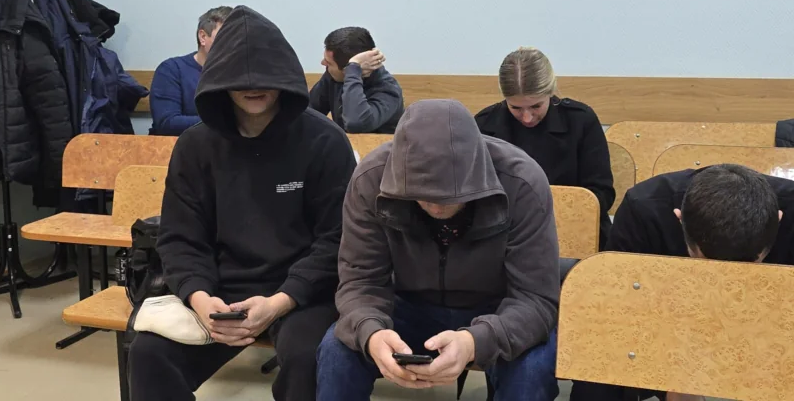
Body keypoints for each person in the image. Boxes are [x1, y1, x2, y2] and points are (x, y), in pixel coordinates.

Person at [129, 6, 357, 401]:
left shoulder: (325, 141)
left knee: (308, 359)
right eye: (240, 78)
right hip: (220, 287)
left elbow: (337, 240)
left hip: (305, 291)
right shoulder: (195, 146)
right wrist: (200, 298)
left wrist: (282, 301)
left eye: (266, 76)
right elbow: (181, 237)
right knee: (149, 354)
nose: (254, 86)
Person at [317, 99, 560, 401]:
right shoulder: (371, 180)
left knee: (533, 367)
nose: (436, 206)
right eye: (423, 196)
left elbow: (535, 299)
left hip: (499, 308)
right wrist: (371, 332)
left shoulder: (522, 182)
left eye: (451, 196)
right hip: (408, 304)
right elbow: (360, 281)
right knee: (337, 349)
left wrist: (474, 342)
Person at [571, 164, 794, 401]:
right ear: (680, 220)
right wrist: (675, 381)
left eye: (748, 266)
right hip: (664, 321)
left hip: (771, 326)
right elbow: (617, 316)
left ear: (778, 220)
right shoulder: (643, 208)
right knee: (596, 362)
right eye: (708, 266)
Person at [475, 47, 615, 247]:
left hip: (573, 234)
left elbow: (602, 193)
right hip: (507, 236)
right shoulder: (484, 125)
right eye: (515, 107)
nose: (527, 117)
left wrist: (565, 211)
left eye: (536, 106)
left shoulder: (580, 120)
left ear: (550, 91)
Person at [148, 6, 233, 135]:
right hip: (178, 145)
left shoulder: (239, 71)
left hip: (226, 145)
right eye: (225, 36)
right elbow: (167, 124)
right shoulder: (171, 70)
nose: (232, 44)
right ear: (203, 37)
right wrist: (226, 123)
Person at [309, 26, 404, 134]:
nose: (322, 63)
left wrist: (353, 70)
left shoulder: (388, 90)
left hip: (377, 144)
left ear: (346, 70)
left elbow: (355, 123)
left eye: (329, 63)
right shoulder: (333, 76)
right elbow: (307, 112)